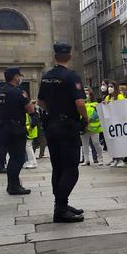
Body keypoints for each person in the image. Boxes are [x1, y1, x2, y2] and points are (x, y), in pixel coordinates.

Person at [38, 43, 87, 223]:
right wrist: (85, 119)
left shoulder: (46, 77)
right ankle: (60, 208)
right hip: (67, 126)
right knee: (71, 168)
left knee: (58, 167)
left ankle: (62, 204)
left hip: (51, 125)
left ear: (55, 56)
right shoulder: (71, 76)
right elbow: (80, 103)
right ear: (70, 56)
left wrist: (53, 109)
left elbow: (41, 102)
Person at [0, 68, 35, 195]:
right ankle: (14, 185)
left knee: (12, 157)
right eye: (19, 76)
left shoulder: (1, 92)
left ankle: (12, 184)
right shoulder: (17, 92)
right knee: (18, 157)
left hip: (2, 128)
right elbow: (30, 108)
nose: (20, 78)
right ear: (15, 77)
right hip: (15, 128)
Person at [103, 81, 126, 167]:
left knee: (119, 141)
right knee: (113, 142)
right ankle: (115, 159)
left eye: (111, 86)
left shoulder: (120, 96)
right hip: (110, 122)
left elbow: (123, 107)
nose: (109, 88)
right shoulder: (107, 97)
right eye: (108, 86)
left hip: (118, 122)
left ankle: (121, 159)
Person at [81, 89, 104, 166]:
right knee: (85, 144)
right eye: (84, 93)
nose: (85, 95)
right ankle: (86, 160)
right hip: (83, 127)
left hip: (94, 127)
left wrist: (90, 119)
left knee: (96, 143)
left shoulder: (95, 104)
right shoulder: (80, 104)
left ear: (90, 95)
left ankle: (100, 158)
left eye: (87, 94)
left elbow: (97, 114)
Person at [24, 104, 39, 169]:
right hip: (30, 131)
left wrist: (29, 127)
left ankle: (33, 162)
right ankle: (31, 161)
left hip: (30, 132)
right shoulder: (33, 112)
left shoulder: (30, 113)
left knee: (28, 147)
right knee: (28, 146)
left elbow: (33, 122)